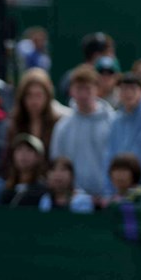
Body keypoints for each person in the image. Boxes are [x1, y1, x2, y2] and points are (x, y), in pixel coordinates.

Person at [49, 64, 115, 200]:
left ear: (97, 90)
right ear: (71, 91)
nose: (83, 94)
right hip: (73, 200)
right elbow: (57, 163)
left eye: (88, 89)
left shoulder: (112, 122)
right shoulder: (62, 126)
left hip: (107, 199)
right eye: (79, 89)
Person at [105, 71, 141, 192]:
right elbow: (111, 153)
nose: (128, 93)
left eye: (132, 89)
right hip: (118, 187)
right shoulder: (116, 118)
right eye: (123, 89)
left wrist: (136, 185)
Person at [0, 134, 48, 207]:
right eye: (19, 149)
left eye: (29, 150)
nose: (23, 154)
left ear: (38, 157)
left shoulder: (44, 190)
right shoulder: (6, 189)